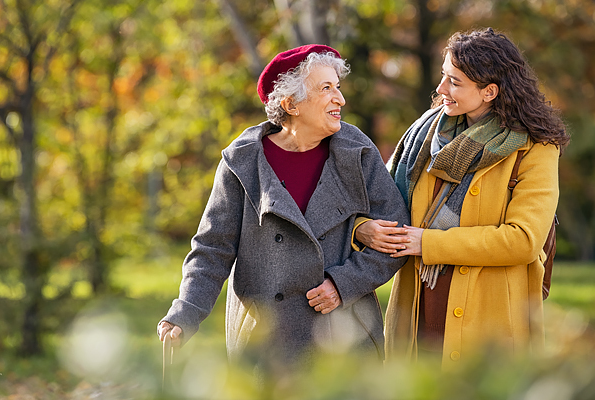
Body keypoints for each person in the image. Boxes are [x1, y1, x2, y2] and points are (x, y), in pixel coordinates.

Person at [157, 44, 409, 374]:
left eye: (338, 87)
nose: (340, 99)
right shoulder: (242, 162)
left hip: (346, 336)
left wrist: (343, 283)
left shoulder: (357, 151)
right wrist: (186, 310)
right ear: (291, 104)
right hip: (266, 339)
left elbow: (397, 235)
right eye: (326, 88)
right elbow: (212, 248)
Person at [354, 28, 569, 368]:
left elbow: (524, 240)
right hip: (418, 312)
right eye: (443, 77)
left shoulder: (536, 149)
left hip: (490, 323)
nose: (440, 90)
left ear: (489, 91)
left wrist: (430, 243)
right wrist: (363, 228)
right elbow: (375, 202)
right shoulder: (423, 138)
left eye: (454, 82)